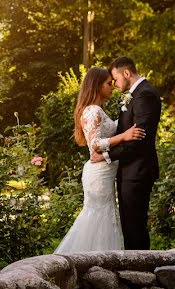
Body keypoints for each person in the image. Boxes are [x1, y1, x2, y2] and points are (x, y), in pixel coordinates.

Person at [55, 67, 145, 254]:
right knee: (98, 216)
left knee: (105, 216)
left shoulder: (97, 110)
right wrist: (124, 136)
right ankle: (90, 260)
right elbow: (94, 144)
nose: (112, 87)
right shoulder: (92, 111)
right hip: (99, 173)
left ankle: (99, 261)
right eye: (108, 83)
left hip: (105, 171)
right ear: (96, 85)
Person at [91, 57, 162, 251]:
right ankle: (135, 269)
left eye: (115, 79)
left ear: (127, 73)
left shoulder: (144, 95)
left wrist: (106, 156)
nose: (114, 84)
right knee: (130, 226)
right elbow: (125, 132)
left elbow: (139, 139)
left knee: (135, 226)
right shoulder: (136, 94)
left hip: (138, 171)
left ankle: (141, 270)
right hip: (130, 170)